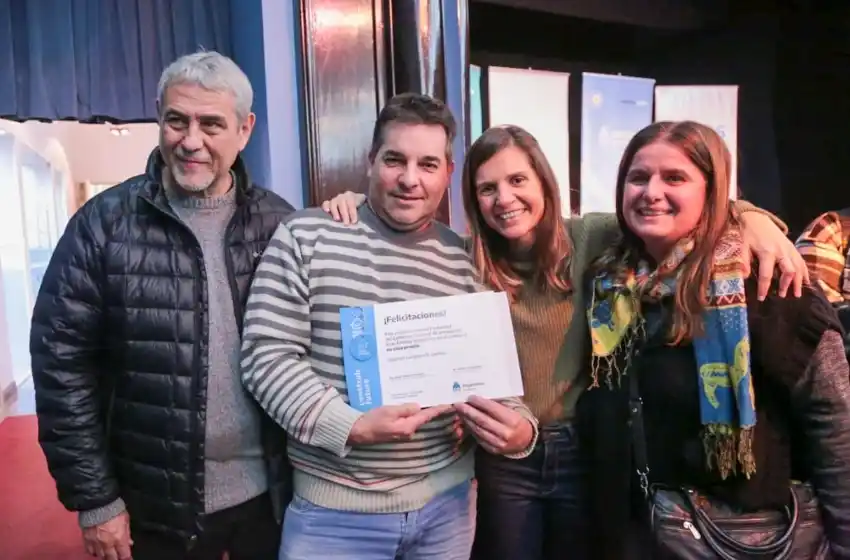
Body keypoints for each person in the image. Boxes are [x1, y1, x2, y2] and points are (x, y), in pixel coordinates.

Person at [321, 125, 806, 559]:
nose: (503, 198)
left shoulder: (593, 236)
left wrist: (754, 218)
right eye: (486, 188)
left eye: (517, 181)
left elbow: (683, 208)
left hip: (583, 447)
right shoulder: (464, 260)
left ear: (544, 185)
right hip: (501, 454)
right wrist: (354, 204)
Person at [240, 93, 538, 560]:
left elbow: (490, 375)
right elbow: (266, 356)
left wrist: (522, 430)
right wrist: (349, 425)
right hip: (334, 515)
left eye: (428, 164)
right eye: (395, 160)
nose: (410, 179)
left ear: (448, 172)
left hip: (448, 509)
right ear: (370, 161)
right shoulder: (306, 236)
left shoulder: (467, 259)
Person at [30, 51, 294, 560]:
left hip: (272, 503)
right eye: (177, 120)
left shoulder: (279, 224)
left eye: (211, 124)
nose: (190, 141)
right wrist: (96, 500)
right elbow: (60, 365)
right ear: (159, 116)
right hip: (154, 507)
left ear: (245, 129)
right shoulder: (103, 225)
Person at [578, 120, 850, 558]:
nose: (651, 191)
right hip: (634, 536)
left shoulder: (767, 284)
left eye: (675, 178)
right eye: (637, 177)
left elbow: (836, 431)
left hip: (736, 540)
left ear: (712, 190)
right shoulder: (611, 284)